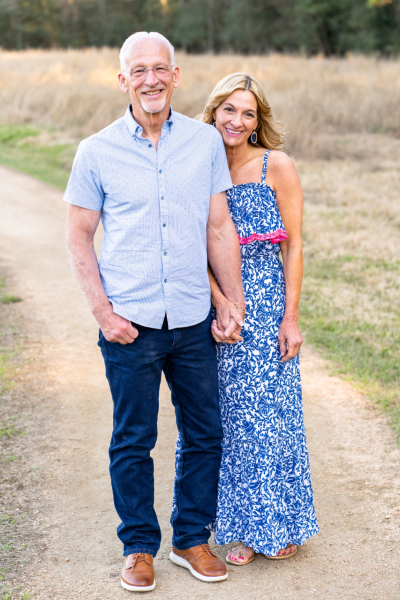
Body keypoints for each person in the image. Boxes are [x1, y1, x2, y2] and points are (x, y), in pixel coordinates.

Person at [64, 32, 245, 592]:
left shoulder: (204, 144)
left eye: (159, 68)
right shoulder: (96, 150)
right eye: (138, 70)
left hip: (193, 319)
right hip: (130, 326)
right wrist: (103, 313)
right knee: (133, 437)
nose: (150, 79)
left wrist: (231, 301)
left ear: (176, 75)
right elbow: (77, 236)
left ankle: (191, 539)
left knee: (206, 431)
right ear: (123, 81)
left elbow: (218, 227)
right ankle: (139, 547)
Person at [203, 73, 319, 564]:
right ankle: (227, 523)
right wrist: (219, 300)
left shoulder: (277, 165)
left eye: (248, 112)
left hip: (268, 305)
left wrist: (290, 317)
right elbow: (190, 244)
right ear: (213, 111)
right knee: (219, 417)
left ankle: (268, 525)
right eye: (229, 109)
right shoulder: (196, 163)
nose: (237, 120)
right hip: (212, 306)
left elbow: (293, 244)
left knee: (268, 416)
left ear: (258, 120)